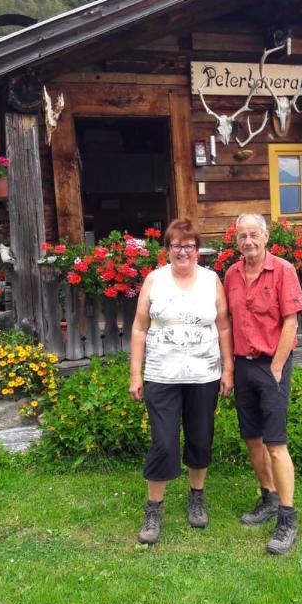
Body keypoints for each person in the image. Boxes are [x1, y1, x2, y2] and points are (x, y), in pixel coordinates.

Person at [130, 218, 233, 544]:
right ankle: (154, 509)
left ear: (197, 250)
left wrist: (228, 369)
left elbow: (224, 327)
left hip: (203, 375)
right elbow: (139, 328)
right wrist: (135, 373)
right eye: (176, 245)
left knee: (200, 438)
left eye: (189, 246)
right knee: (163, 441)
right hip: (162, 375)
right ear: (168, 249)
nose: (183, 251)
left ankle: (196, 496)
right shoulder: (154, 280)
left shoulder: (210, 280)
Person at [224, 213, 302, 555]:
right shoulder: (230, 274)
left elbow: (291, 323)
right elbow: (226, 322)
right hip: (243, 365)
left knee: (275, 443)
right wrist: (229, 368)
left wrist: (276, 366)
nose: (248, 241)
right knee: (252, 440)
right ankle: (268, 498)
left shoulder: (283, 270)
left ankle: (287, 518)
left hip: (273, 365)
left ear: (266, 236)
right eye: (242, 236)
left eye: (253, 234)